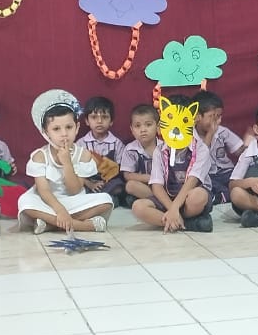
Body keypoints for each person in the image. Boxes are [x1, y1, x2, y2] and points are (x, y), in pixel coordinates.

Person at [18, 95, 113, 234]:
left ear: (77, 127)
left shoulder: (84, 155)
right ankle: (84, 225)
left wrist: (67, 163)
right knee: (25, 201)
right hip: (49, 203)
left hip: (74, 201)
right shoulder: (40, 156)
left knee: (106, 200)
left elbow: (74, 190)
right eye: (56, 129)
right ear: (46, 132)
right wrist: (60, 211)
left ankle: (50, 224)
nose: (64, 134)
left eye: (69, 127)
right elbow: (44, 191)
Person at [130, 93, 214, 233]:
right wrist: (172, 208)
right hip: (168, 198)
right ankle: (184, 222)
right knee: (138, 207)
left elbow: (192, 181)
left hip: (189, 198)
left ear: (193, 120)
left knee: (198, 196)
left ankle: (175, 220)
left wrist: (175, 208)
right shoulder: (160, 150)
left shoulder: (201, 149)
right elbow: (157, 186)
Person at [195, 90, 244, 205]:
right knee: (204, 185)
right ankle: (223, 196)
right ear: (197, 117)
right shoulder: (190, 136)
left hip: (226, 171)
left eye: (220, 116)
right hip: (207, 175)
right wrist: (210, 134)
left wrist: (248, 146)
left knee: (239, 180)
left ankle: (226, 195)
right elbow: (200, 157)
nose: (219, 121)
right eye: (214, 117)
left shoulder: (222, 131)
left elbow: (239, 150)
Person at [77, 95, 126, 202]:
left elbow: (120, 169)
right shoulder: (81, 143)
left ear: (111, 121)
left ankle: (102, 198)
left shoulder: (117, 143)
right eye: (94, 117)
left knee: (119, 187)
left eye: (104, 117)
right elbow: (76, 169)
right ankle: (105, 199)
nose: (99, 121)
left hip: (109, 181)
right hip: (89, 181)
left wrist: (107, 179)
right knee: (77, 186)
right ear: (87, 121)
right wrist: (89, 184)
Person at [120, 103, 160, 204]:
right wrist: (147, 178)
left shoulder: (164, 147)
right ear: (132, 129)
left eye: (148, 125)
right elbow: (127, 175)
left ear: (158, 126)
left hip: (162, 186)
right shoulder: (130, 149)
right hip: (144, 186)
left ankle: (158, 201)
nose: (143, 130)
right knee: (130, 186)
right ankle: (159, 202)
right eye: (137, 126)